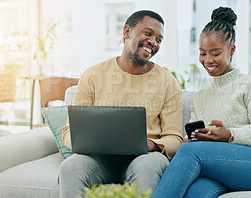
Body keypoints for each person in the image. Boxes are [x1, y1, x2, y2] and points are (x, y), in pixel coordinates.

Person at [153, 6, 251, 198]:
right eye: (202, 53)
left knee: (191, 152)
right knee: (194, 192)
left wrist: (230, 134)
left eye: (215, 53)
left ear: (231, 50)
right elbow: (196, 141)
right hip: (221, 169)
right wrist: (188, 140)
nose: (207, 60)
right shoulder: (200, 97)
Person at [59, 10, 183, 198]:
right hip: (99, 159)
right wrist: (90, 143)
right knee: (71, 166)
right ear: (127, 32)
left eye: (159, 40)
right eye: (148, 34)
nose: (153, 42)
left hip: (144, 158)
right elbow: (69, 132)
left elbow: (175, 138)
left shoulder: (168, 81)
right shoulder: (93, 75)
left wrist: (152, 144)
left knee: (147, 166)